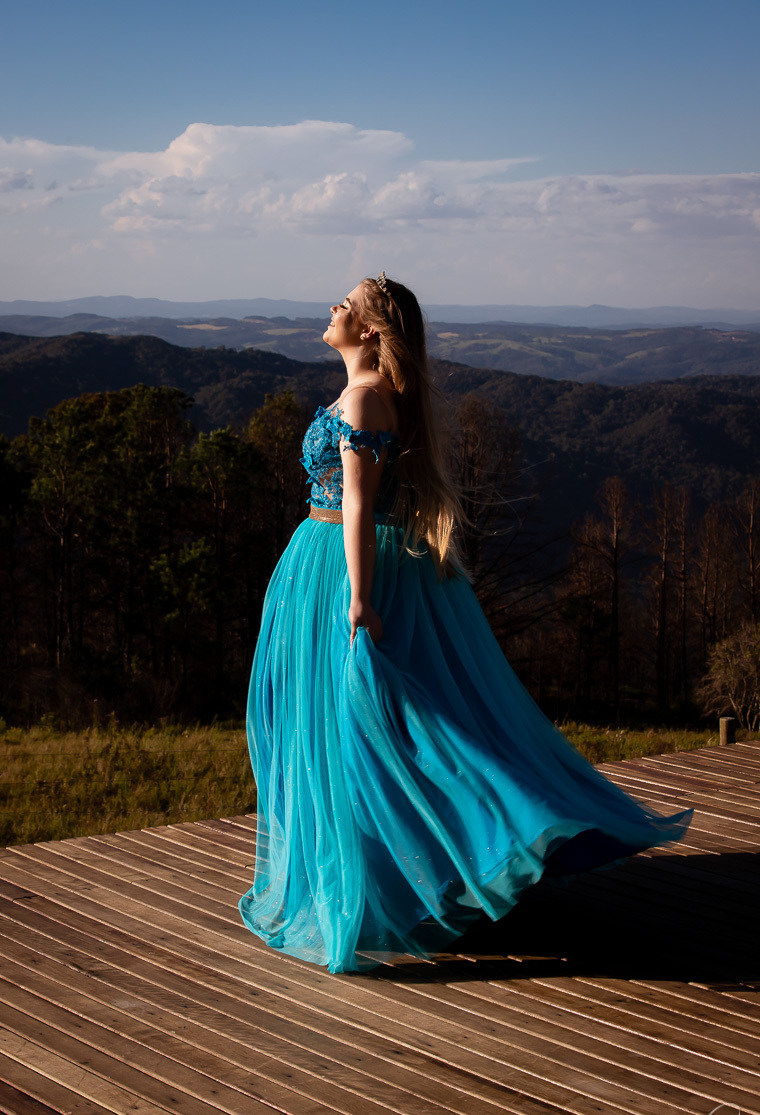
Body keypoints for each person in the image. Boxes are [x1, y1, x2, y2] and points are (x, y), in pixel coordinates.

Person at [238, 272, 694, 974]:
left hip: (343, 564)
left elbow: (359, 505)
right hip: (326, 559)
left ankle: (465, 852)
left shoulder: (364, 401)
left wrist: (359, 597)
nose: (332, 308)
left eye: (346, 304)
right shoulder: (364, 395)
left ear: (367, 329)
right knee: (355, 728)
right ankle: (395, 875)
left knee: (378, 727)